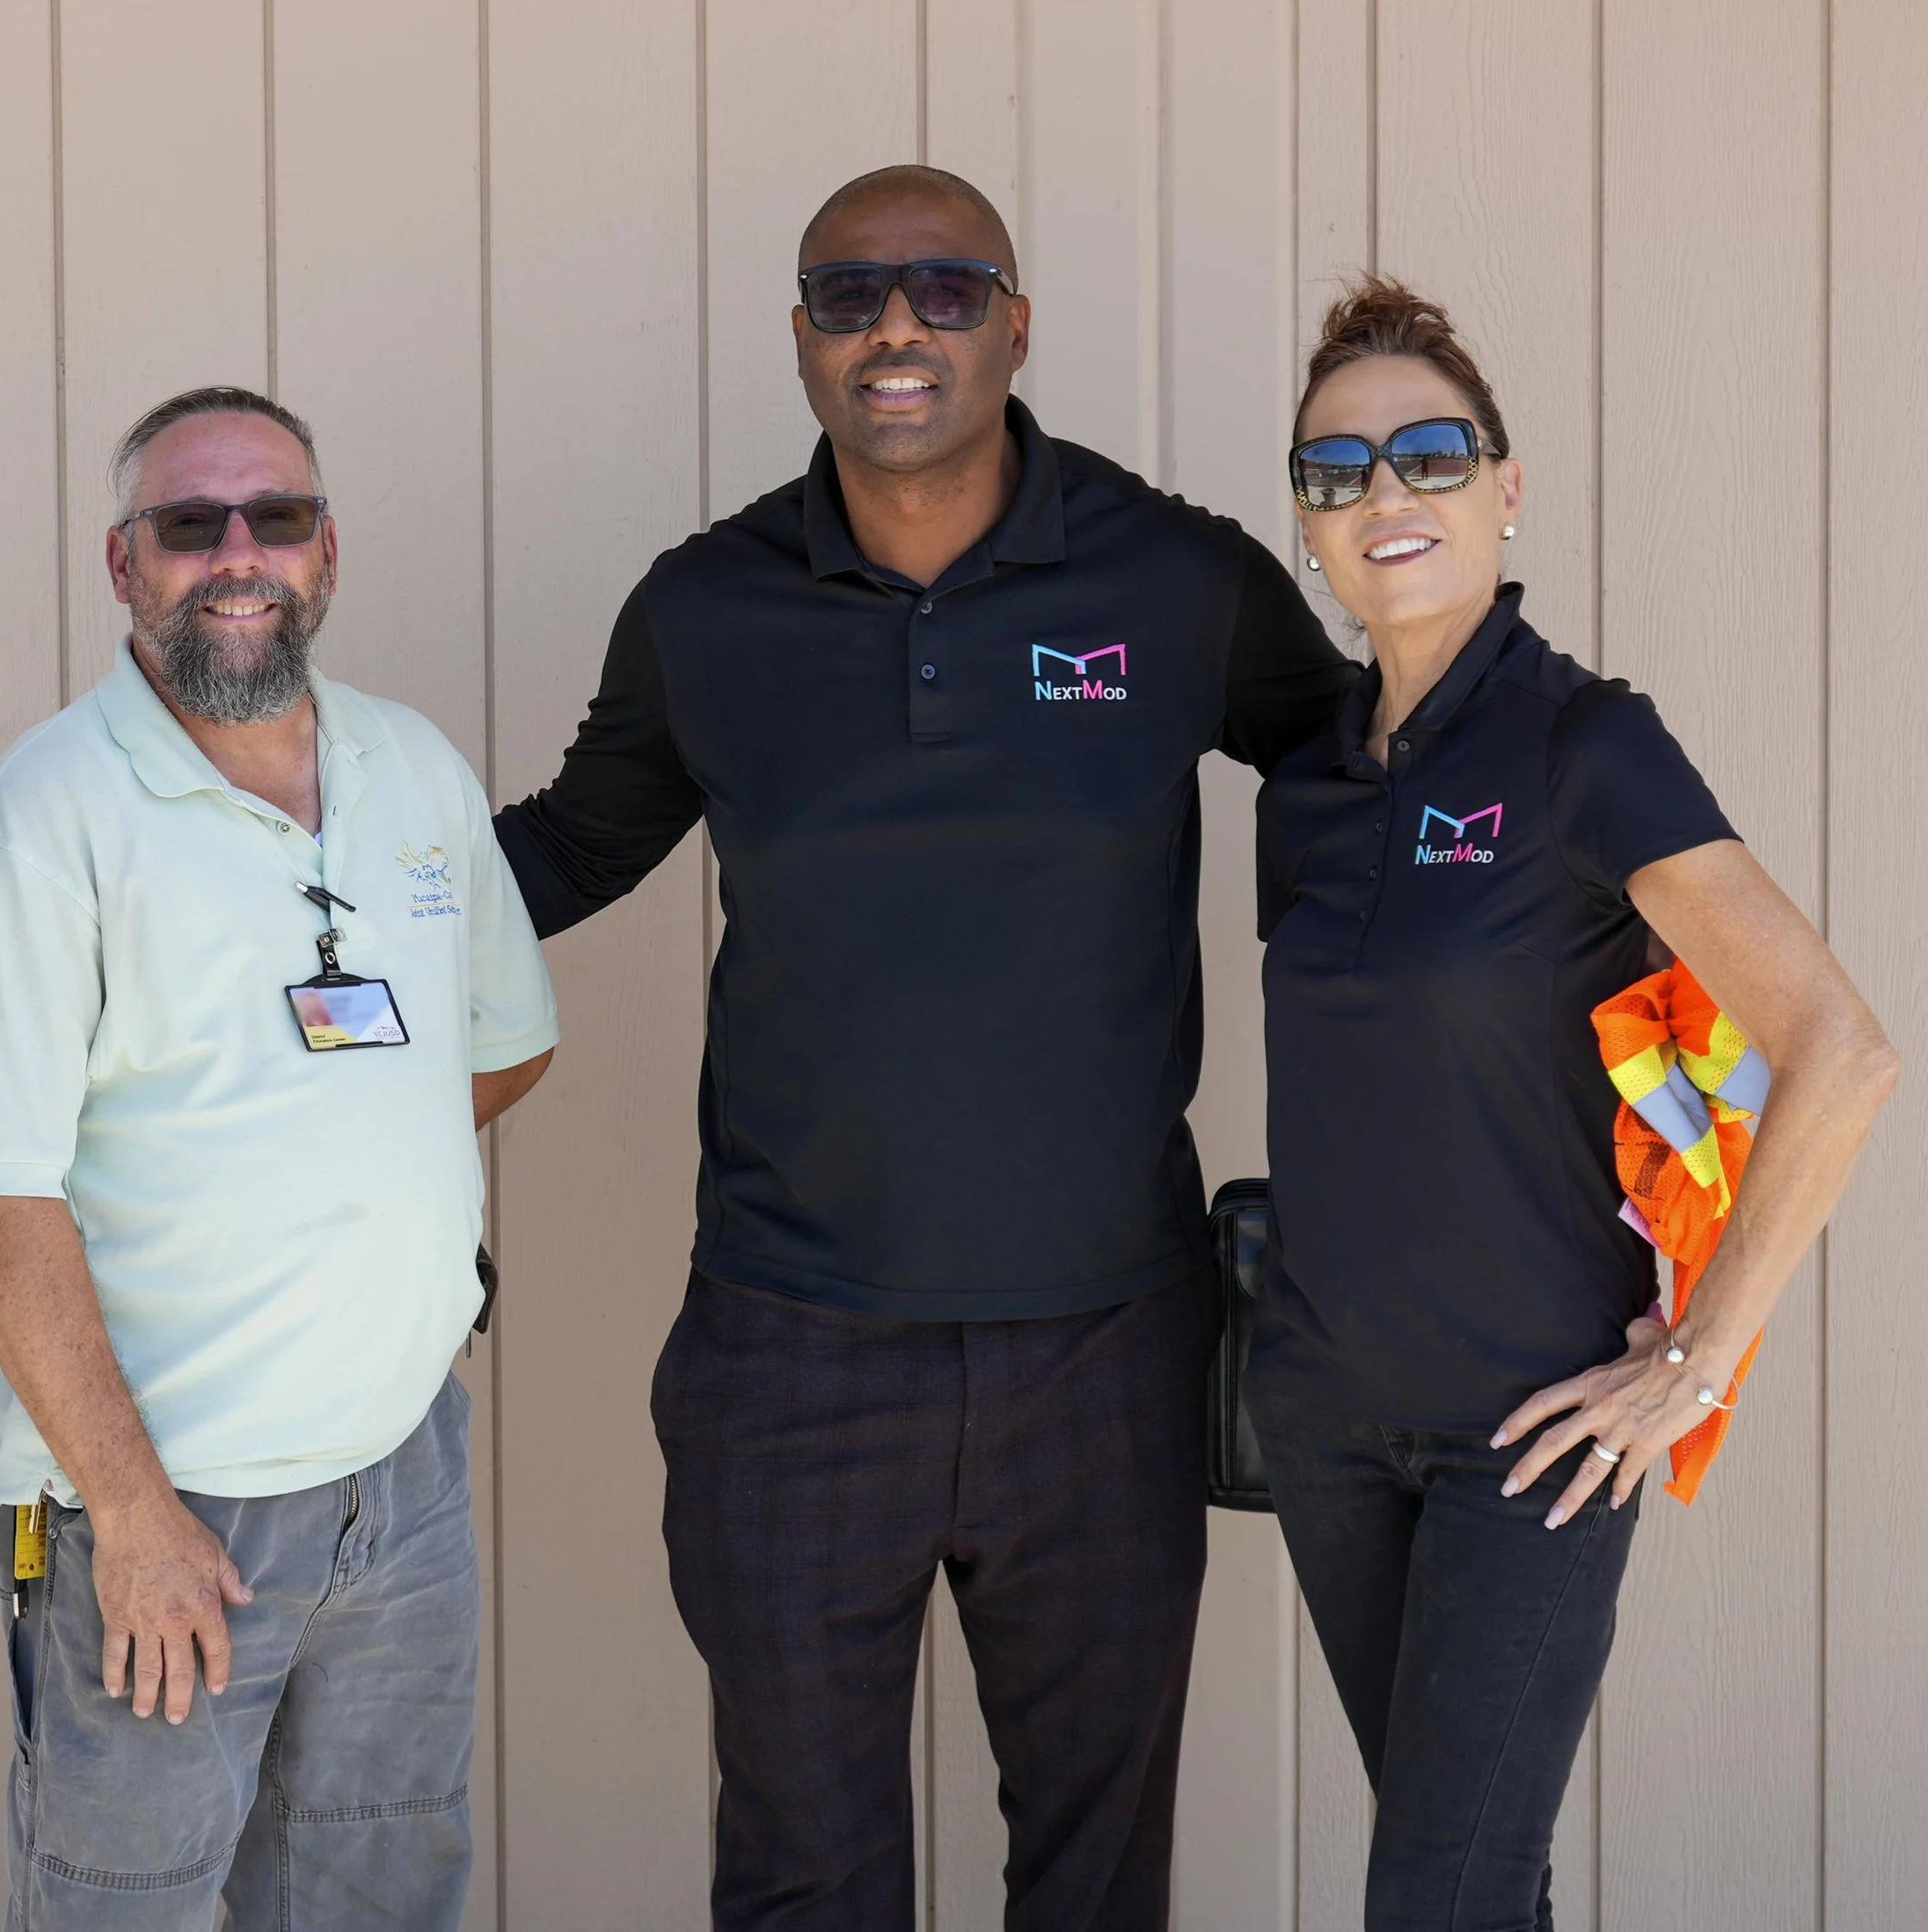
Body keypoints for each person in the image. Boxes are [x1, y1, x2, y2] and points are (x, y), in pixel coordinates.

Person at [495, 165, 1350, 1930]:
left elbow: (1364, 785)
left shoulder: (1176, 581)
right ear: (802, 342)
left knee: (1096, 1884)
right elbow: (568, 851)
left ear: (1015, 328)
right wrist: (287, 896)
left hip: (1107, 1345)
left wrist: (1583, 860)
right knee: (803, 1881)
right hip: (791, 1347)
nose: (897, 325)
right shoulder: (706, 613)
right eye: (849, 294)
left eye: (946, 289)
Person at [1245, 280, 1898, 1931]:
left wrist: (1699, 1358)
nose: (1385, 494)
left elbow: (1840, 1046)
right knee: (1476, 1886)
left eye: (1431, 453)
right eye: (1337, 470)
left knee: (1439, 1901)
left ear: (1506, 487)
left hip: (1529, 1437)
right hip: (1325, 1422)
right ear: (1308, 524)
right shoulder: (1305, 785)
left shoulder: (1584, 744)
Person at [0, 386, 559, 1931]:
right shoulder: (49, 814)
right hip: (163, 1505)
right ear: (123, 563)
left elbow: (507, 1043)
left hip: (400, 1481)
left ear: (328, 552)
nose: (239, 554)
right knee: (127, 1902)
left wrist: (320, 1177)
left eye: (279, 518)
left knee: (379, 1891)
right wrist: (132, 1517)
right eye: (192, 524)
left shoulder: (413, 770)